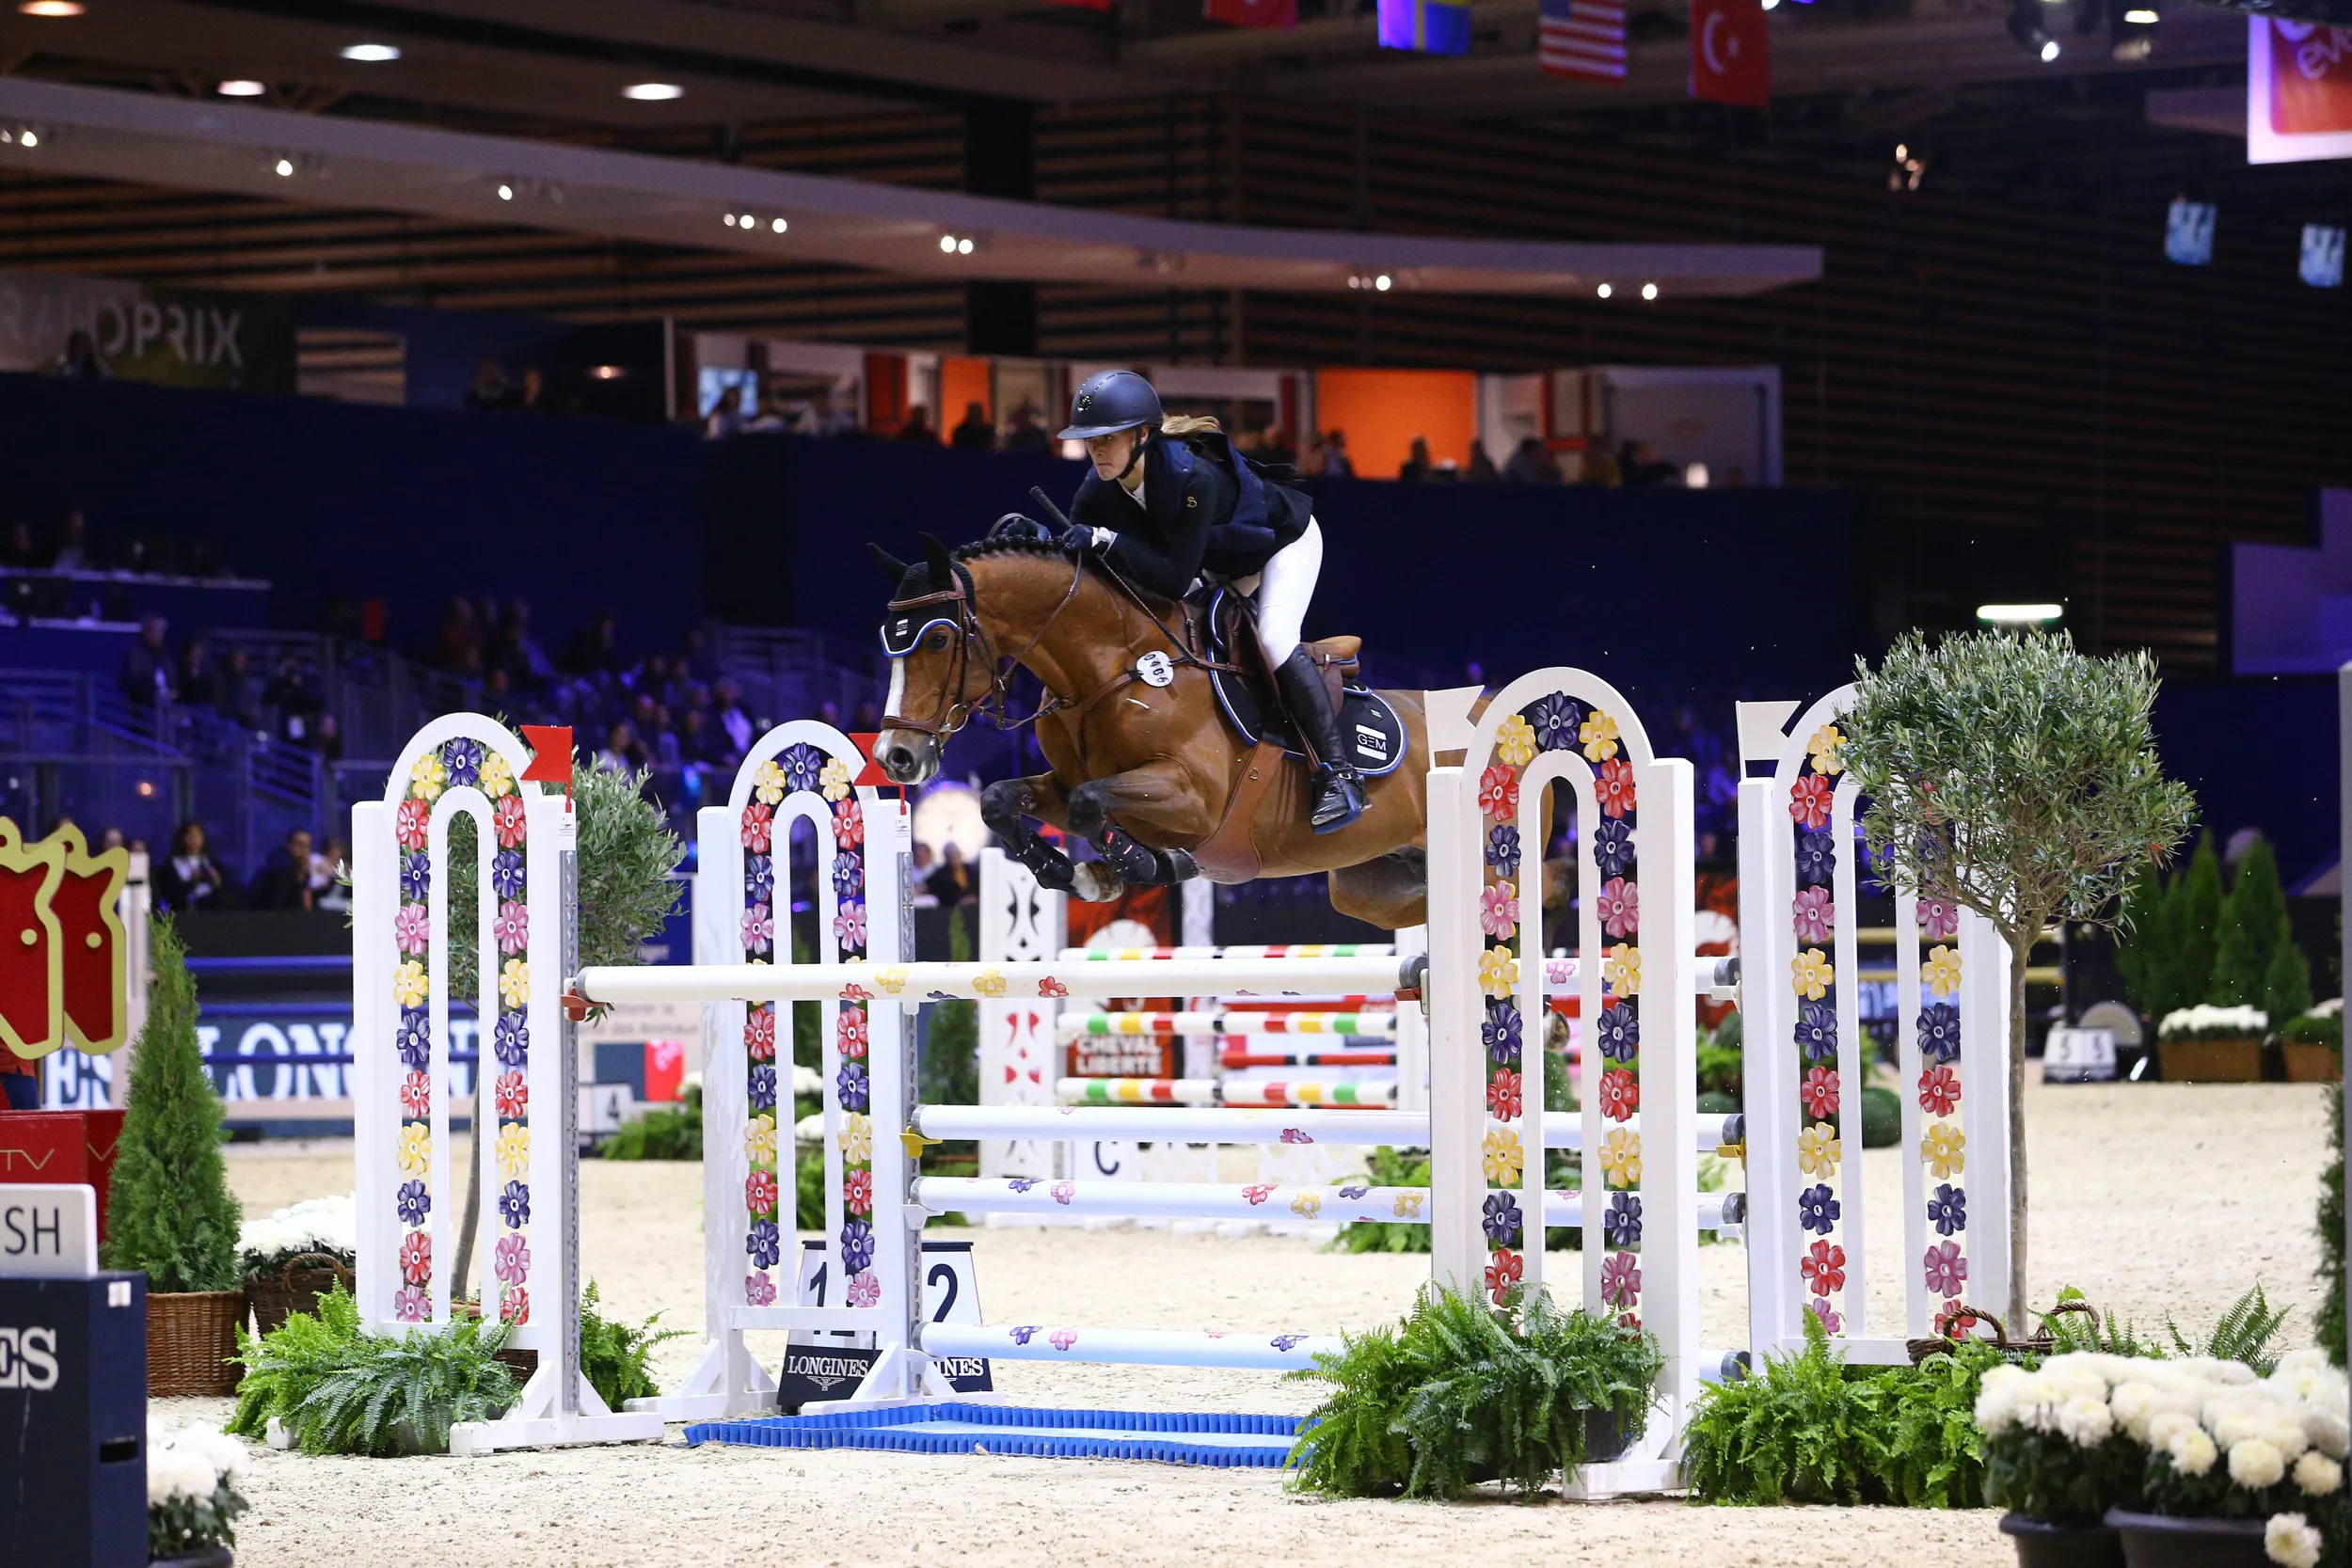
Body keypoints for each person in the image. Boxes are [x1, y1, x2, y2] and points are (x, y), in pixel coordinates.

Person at [1054, 369, 1366, 832]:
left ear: (1142, 435)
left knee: (1275, 637)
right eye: (1089, 440)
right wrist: (1043, 541)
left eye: (1107, 438)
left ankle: (1339, 776)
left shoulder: (1191, 478)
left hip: (1282, 545)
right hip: (1217, 560)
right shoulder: (1098, 486)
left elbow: (1176, 579)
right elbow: (1076, 549)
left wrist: (1105, 539)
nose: (1096, 449)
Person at [157, 820, 226, 914]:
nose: (195, 840)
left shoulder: (211, 862)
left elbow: (223, 889)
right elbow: (170, 894)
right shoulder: (171, 865)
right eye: (190, 836)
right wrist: (191, 882)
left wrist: (216, 882)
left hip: (209, 913)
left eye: (198, 836)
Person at [249, 828, 316, 911]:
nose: (304, 850)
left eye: (308, 846)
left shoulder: (300, 867)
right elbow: (279, 907)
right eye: (300, 845)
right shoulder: (281, 868)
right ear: (288, 845)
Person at [119, 614, 177, 707]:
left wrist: (173, 692)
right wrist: (155, 693)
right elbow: (134, 683)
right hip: (146, 706)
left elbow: (173, 680)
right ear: (146, 632)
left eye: (161, 632)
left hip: (168, 704)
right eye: (155, 631)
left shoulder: (164, 655)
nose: (159, 636)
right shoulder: (136, 654)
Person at [925, 840, 977, 905]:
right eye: (951, 856)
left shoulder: (972, 871)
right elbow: (931, 889)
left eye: (957, 855)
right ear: (946, 858)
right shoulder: (940, 875)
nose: (955, 859)